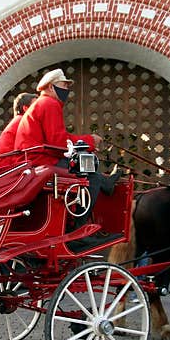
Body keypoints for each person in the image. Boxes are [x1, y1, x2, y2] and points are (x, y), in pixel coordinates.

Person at [14, 68, 117, 250]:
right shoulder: (49, 103)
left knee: (87, 163)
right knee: (90, 172)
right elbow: (58, 141)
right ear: (51, 87)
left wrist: (85, 142)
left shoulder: (40, 105)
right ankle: (77, 231)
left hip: (34, 160)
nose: (67, 89)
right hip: (43, 161)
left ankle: (104, 184)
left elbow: (57, 139)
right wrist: (90, 141)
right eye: (64, 85)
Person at [0, 92, 36, 168]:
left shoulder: (18, 120)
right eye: (35, 106)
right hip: (8, 167)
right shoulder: (23, 121)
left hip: (2, 166)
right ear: (25, 108)